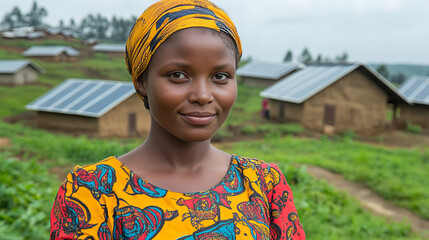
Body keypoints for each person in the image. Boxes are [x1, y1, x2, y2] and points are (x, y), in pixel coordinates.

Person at [50, 0, 305, 239]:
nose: (203, 96)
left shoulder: (264, 184)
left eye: (220, 77)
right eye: (178, 75)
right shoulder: (92, 193)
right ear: (141, 81)